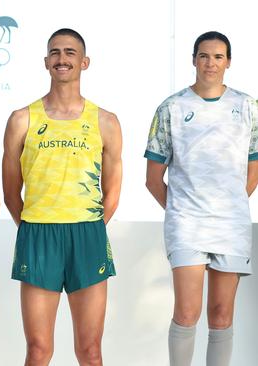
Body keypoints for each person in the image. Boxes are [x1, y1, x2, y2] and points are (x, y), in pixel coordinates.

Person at [2, 28, 122, 366]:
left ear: (84, 62)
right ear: (46, 62)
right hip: (39, 233)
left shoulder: (106, 121)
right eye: (55, 52)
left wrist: (90, 227)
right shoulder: (22, 119)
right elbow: (11, 191)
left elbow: (112, 191)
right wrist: (34, 224)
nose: (62, 58)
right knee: (38, 351)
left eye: (70, 52)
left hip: (87, 234)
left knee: (90, 351)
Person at [145, 31, 258, 366]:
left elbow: (254, 168)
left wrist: (229, 204)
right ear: (194, 59)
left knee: (222, 315)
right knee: (187, 311)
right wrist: (184, 210)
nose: (211, 63)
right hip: (187, 224)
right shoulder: (172, 108)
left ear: (229, 62)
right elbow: (153, 180)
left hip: (230, 225)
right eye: (204, 56)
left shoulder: (248, 107)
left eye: (218, 57)